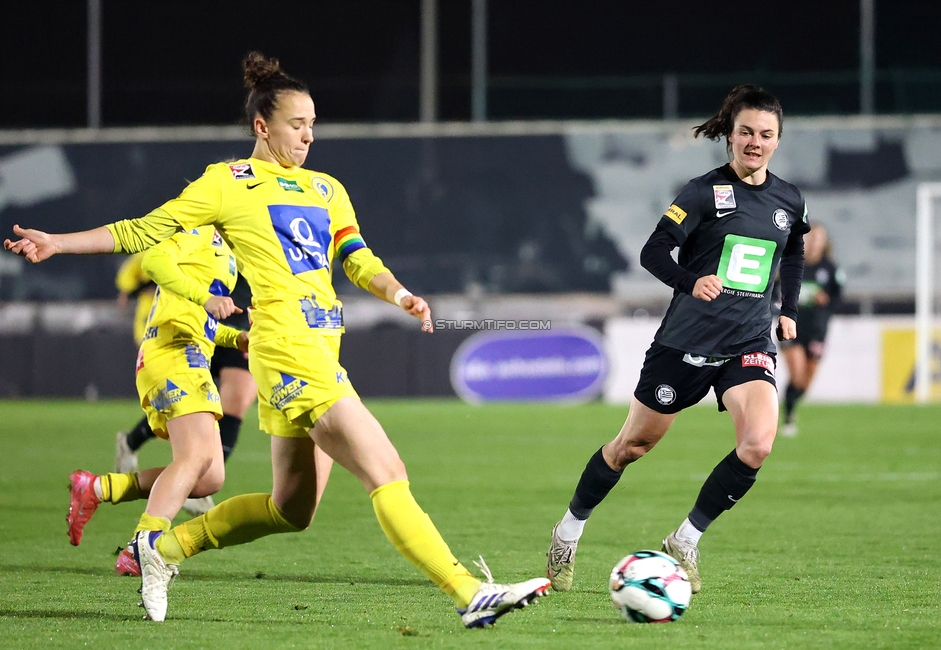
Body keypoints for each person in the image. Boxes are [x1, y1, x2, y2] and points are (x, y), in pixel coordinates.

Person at [4, 51, 549, 627]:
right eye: (297, 123)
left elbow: (357, 258)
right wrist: (58, 242)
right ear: (262, 126)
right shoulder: (227, 183)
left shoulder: (326, 190)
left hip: (320, 346)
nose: (309, 135)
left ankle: (163, 549)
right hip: (286, 346)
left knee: (292, 510)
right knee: (385, 470)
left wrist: (398, 293)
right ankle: (468, 594)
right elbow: (144, 230)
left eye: (313, 123)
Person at [543, 85, 810, 595]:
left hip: (748, 342)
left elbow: (794, 250)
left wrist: (788, 310)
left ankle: (685, 539)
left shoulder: (789, 198)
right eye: (747, 132)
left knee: (757, 444)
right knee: (631, 447)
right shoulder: (703, 191)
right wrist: (691, 280)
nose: (755, 142)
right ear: (730, 135)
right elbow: (654, 250)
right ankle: (568, 531)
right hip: (685, 344)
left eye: (766, 134)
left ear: (778, 140)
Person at [67, 225, 248, 578]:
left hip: (194, 356)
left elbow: (203, 324)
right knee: (194, 458)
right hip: (172, 354)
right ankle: (142, 547)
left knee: (209, 477)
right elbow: (152, 260)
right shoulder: (198, 231)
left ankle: (98, 487)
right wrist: (206, 298)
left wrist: (236, 338)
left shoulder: (228, 256)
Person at [115, 274, 259, 516]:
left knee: (237, 400)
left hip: (244, 319)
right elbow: (158, 261)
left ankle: (200, 483)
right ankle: (129, 443)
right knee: (182, 401)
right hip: (200, 318)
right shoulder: (209, 238)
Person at [779, 224, 843, 437]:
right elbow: (773, 293)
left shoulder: (831, 268)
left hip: (818, 331)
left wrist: (826, 302)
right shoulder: (791, 263)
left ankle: (790, 406)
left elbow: (838, 297)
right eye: (811, 236)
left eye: (819, 238)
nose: (815, 241)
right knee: (796, 376)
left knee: (805, 383)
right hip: (792, 328)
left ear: (825, 243)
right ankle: (787, 419)